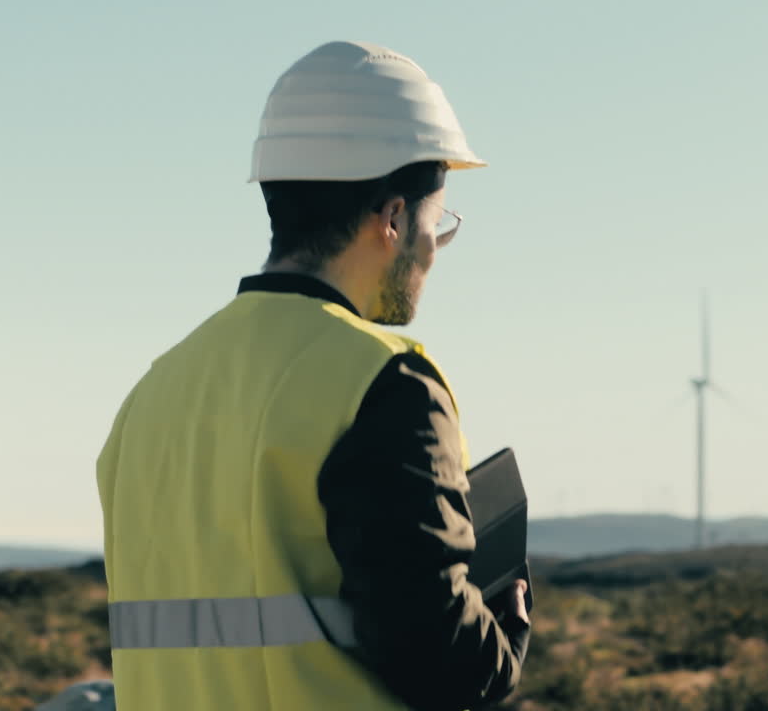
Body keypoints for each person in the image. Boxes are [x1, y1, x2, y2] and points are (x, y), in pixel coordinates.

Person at [96, 40, 530, 711]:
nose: (433, 250)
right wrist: (503, 638)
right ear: (391, 218)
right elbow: (440, 660)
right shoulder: (383, 383)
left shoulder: (151, 395)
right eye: (435, 220)